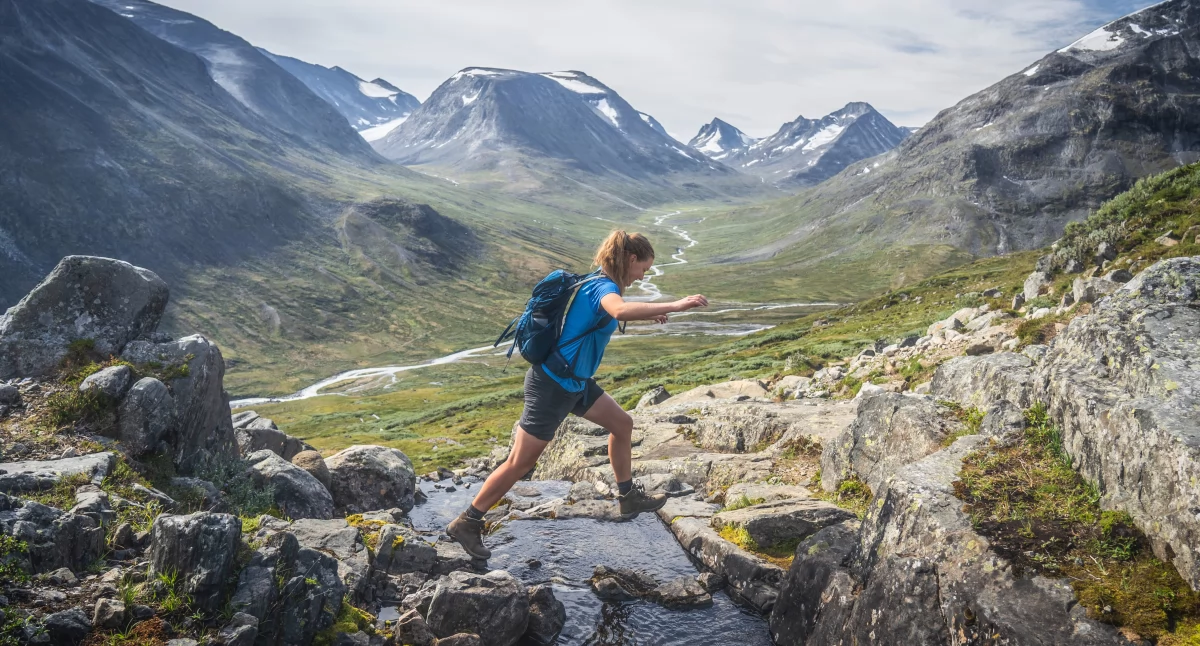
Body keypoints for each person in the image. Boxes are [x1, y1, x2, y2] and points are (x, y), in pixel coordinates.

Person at [447, 230, 709, 559]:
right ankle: (467, 522)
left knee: (622, 424)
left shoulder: (597, 282)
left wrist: (651, 312)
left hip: (576, 383)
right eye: (644, 267)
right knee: (519, 463)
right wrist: (677, 304)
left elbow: (609, 314)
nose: (644, 275)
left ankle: (628, 496)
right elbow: (620, 311)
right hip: (552, 385)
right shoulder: (604, 287)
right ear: (630, 260)